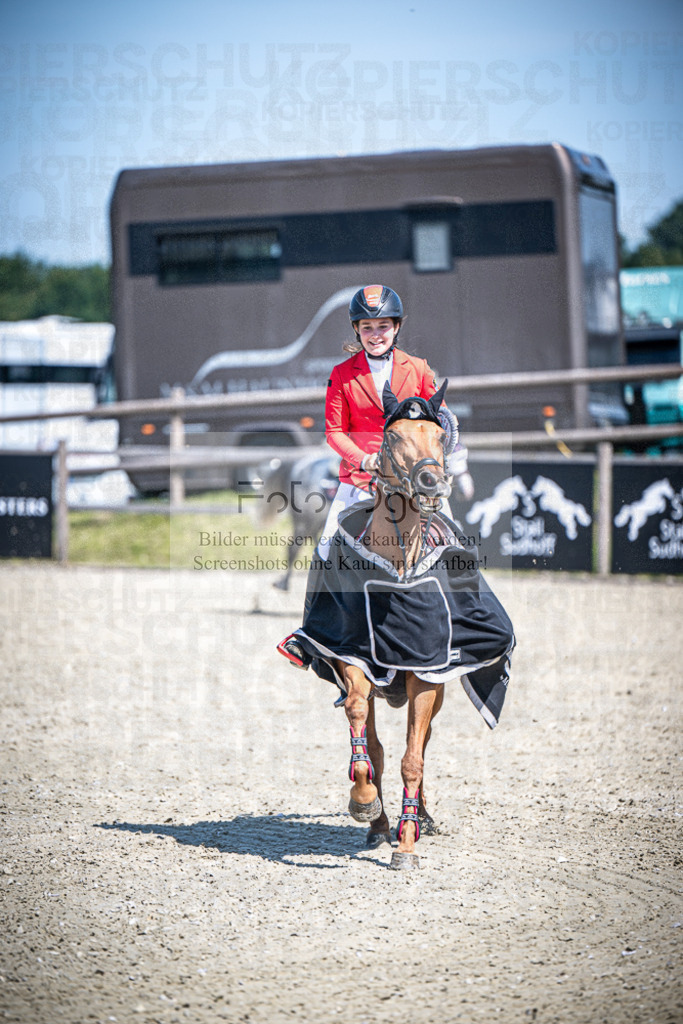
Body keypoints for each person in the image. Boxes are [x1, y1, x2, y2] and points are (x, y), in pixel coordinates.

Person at [276, 283, 457, 669]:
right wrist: (365, 459)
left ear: (396, 328)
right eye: (368, 328)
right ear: (357, 331)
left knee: (455, 538)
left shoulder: (419, 369)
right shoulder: (342, 375)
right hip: (360, 481)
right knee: (325, 546)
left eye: (383, 327)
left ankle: (467, 623)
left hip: (413, 479)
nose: (376, 335)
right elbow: (334, 432)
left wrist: (443, 446)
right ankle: (309, 637)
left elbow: (436, 418)